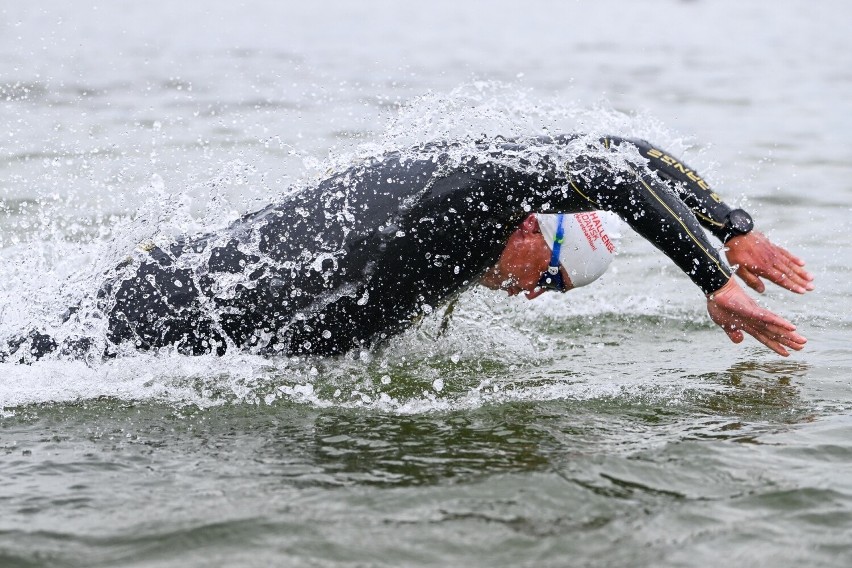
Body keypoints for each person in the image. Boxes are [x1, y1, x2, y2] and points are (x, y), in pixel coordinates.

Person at [1, 134, 813, 362]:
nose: (534, 297)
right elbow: (617, 171)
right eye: (554, 281)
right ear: (531, 227)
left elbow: (624, 155)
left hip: (164, 271)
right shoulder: (466, 212)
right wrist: (714, 272)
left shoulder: (453, 174)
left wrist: (733, 223)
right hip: (171, 320)